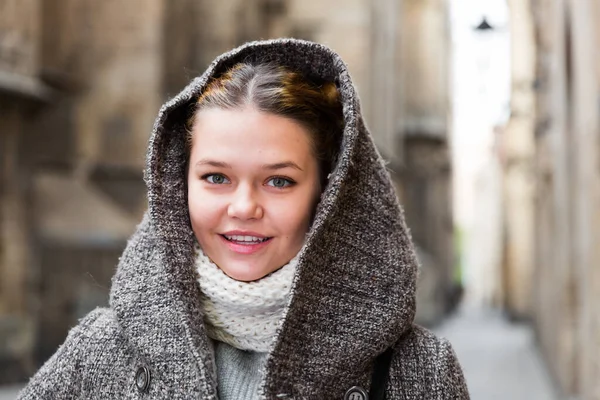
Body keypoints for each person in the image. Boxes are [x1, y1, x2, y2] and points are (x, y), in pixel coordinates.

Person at [18, 38, 469, 399]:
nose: (243, 207)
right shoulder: (99, 353)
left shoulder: (419, 372)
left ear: (327, 194)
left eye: (279, 182)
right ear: (180, 186)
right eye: (216, 177)